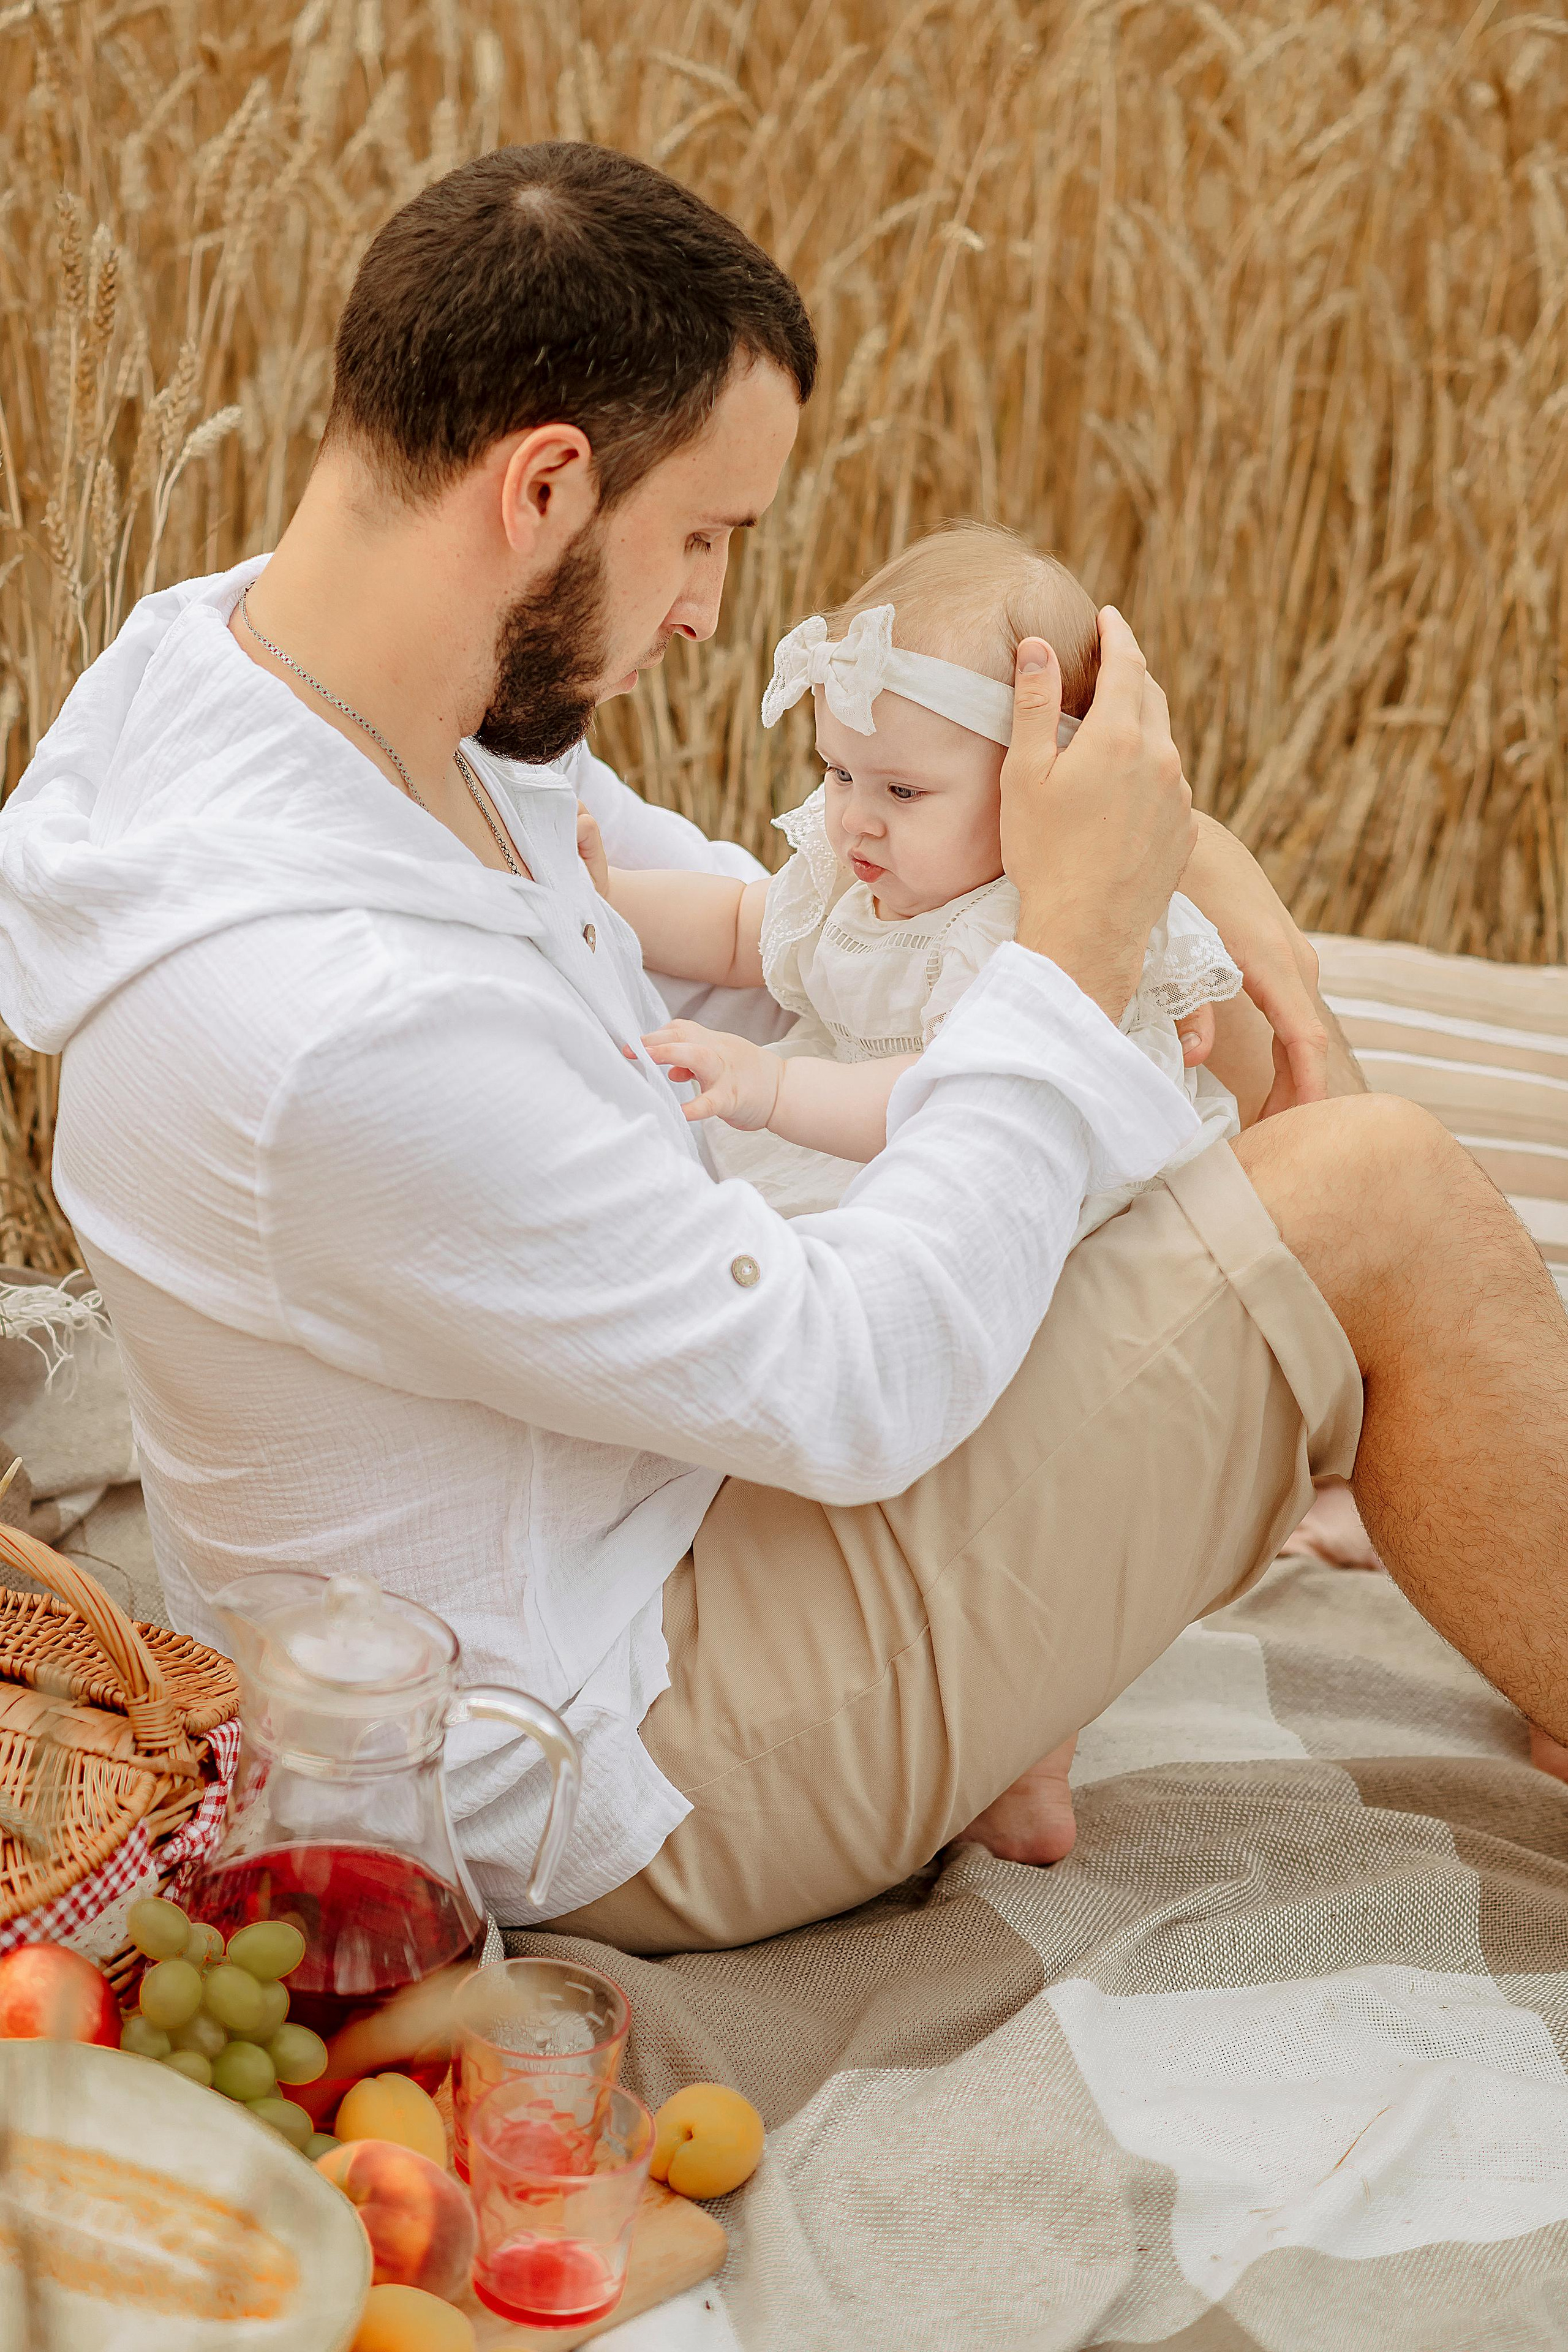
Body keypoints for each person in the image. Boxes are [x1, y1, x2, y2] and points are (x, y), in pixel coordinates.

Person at [0, 143, 1562, 1954]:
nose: (707, 612)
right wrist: (1069, 950)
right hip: (594, 1753)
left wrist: (1164, 874)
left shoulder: (270, 681)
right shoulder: (338, 1013)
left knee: (1181, 1076)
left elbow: (794, 940)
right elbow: (849, 1387)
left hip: (616, 1531)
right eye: (703, 535)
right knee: (1372, 1192)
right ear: (544, 484)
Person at [583, 522, 1249, 1236]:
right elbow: (734, 926)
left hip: (1001, 1189)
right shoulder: (859, 877)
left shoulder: (1016, 933)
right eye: (839, 773)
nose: (856, 819)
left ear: (1040, 785)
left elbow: (943, 1101)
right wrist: (609, 897)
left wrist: (773, 1085)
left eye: (902, 792)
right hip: (853, 1132)